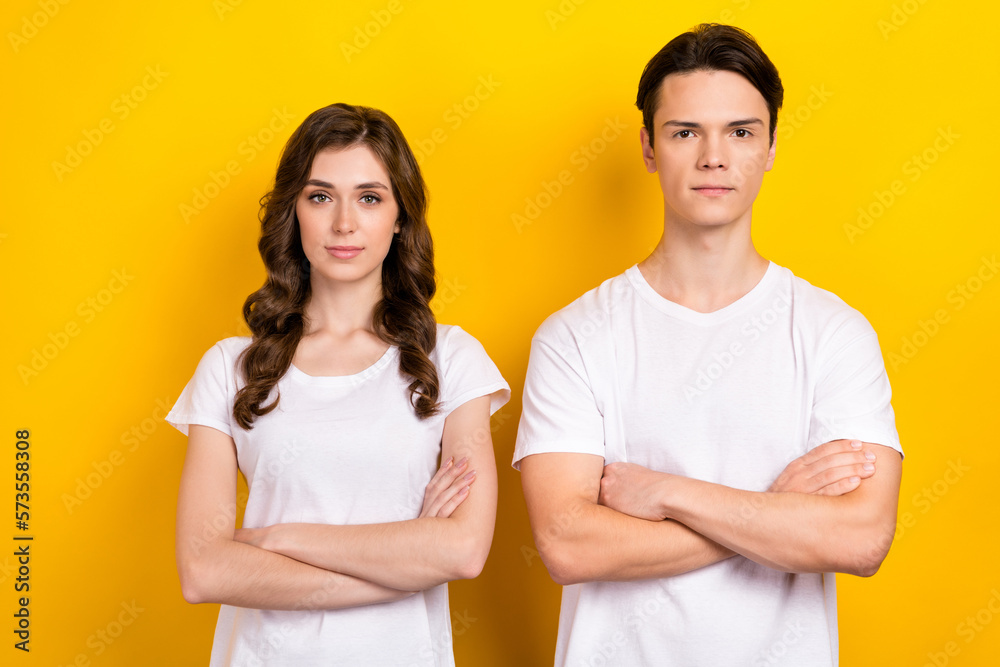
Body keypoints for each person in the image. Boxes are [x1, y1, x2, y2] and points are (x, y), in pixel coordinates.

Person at [514, 23, 903, 666]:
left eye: (741, 132)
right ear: (648, 147)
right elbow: (567, 544)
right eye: (686, 132)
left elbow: (861, 539)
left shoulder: (834, 332)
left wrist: (669, 494)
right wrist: (775, 514)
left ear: (771, 146)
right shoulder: (575, 337)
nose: (713, 157)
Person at [167, 103, 509, 666]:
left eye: (369, 198)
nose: (344, 223)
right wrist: (406, 558)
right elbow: (203, 570)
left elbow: (464, 550)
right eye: (320, 196)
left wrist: (283, 538)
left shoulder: (451, 359)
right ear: (293, 211)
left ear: (400, 216)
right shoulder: (231, 368)